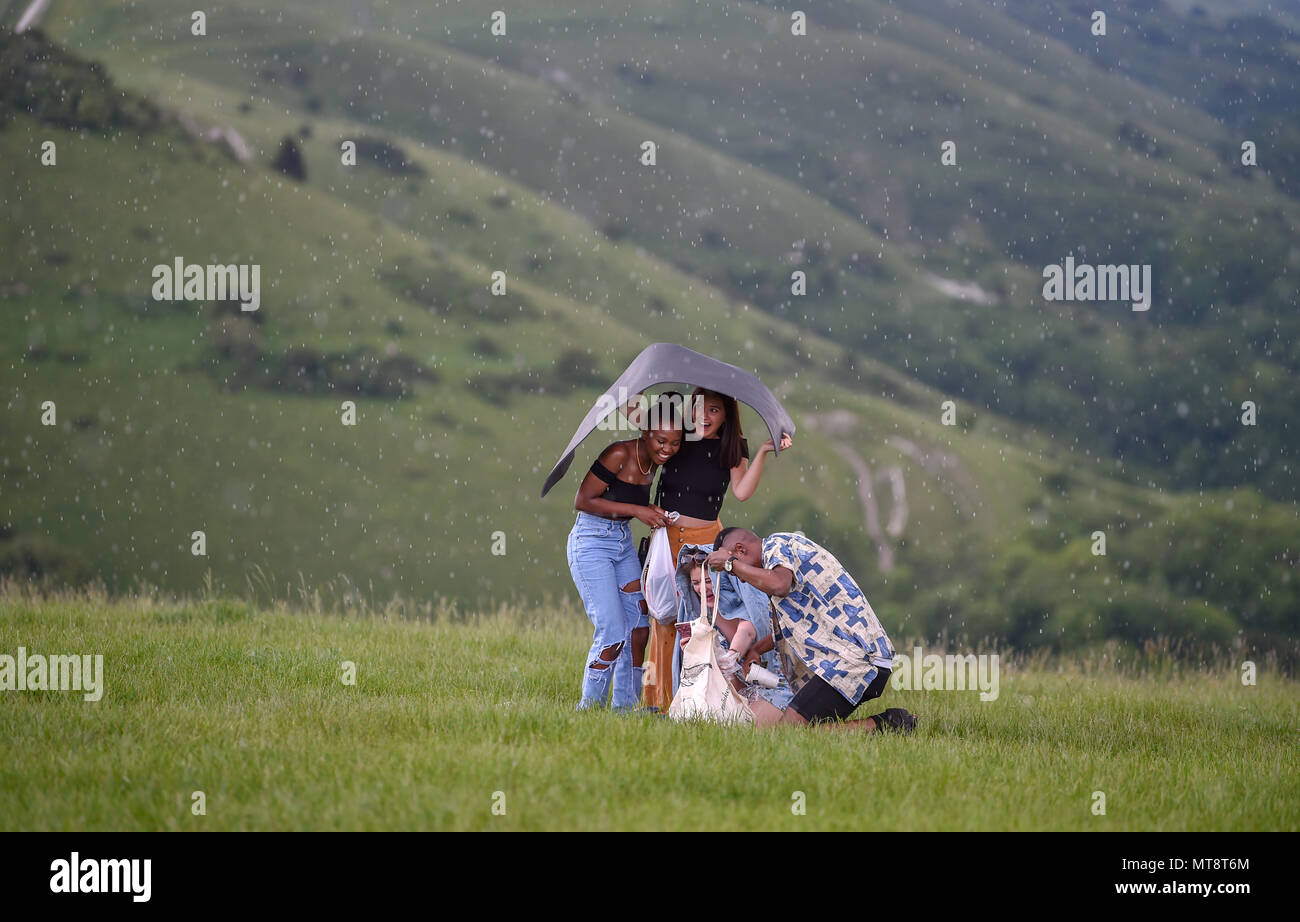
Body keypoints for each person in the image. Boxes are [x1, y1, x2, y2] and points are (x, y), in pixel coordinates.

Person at [640, 387, 793, 710]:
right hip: (667, 539)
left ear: (726, 415)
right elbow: (641, 424)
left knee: (704, 620)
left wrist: (765, 450)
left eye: (713, 410)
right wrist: (636, 387)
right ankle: (660, 701)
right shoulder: (676, 438)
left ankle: (703, 698)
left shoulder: (732, 448)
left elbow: (741, 492)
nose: (704, 416)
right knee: (664, 618)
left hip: (707, 540)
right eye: (698, 408)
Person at [702, 526, 917, 732]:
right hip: (854, 660)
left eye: (739, 572)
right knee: (801, 731)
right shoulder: (782, 562)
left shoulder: (777, 544)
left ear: (740, 549)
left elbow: (780, 585)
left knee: (790, 732)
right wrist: (758, 648)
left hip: (856, 661)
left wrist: (730, 564)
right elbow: (792, 627)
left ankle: (887, 724)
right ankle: (889, 724)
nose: (742, 578)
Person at [567, 395, 685, 710]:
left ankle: (624, 709)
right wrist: (638, 509)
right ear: (645, 432)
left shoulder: (655, 459)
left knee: (639, 628)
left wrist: (647, 510)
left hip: (621, 543)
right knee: (613, 631)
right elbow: (583, 499)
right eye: (661, 440)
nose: (668, 449)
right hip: (592, 541)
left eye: (675, 443)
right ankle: (588, 709)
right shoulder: (619, 453)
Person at [675, 551, 793, 718]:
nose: (702, 588)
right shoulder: (703, 620)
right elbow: (730, 684)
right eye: (695, 583)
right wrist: (696, 654)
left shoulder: (750, 610)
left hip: (778, 685)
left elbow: (747, 632)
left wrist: (730, 656)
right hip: (735, 692)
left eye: (709, 581)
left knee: (753, 723)